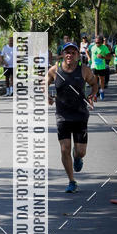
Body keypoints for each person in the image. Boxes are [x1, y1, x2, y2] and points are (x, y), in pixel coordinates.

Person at [47, 41, 98, 193]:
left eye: (73, 52)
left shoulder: (84, 70)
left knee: (80, 151)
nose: (69, 55)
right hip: (62, 115)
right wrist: (47, 96)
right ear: (62, 54)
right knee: (64, 149)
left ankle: (77, 157)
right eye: (67, 52)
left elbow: (94, 83)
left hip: (80, 115)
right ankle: (72, 181)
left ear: (77, 55)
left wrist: (92, 95)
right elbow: (45, 82)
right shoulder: (55, 70)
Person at [88, 34, 112, 100]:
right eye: (96, 42)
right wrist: (89, 58)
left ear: (101, 42)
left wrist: (103, 57)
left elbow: (109, 56)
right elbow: (87, 50)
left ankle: (101, 91)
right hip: (94, 66)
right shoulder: (92, 46)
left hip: (101, 67)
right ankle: (95, 93)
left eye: (98, 42)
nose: (97, 44)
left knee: (102, 80)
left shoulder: (104, 47)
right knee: (95, 80)